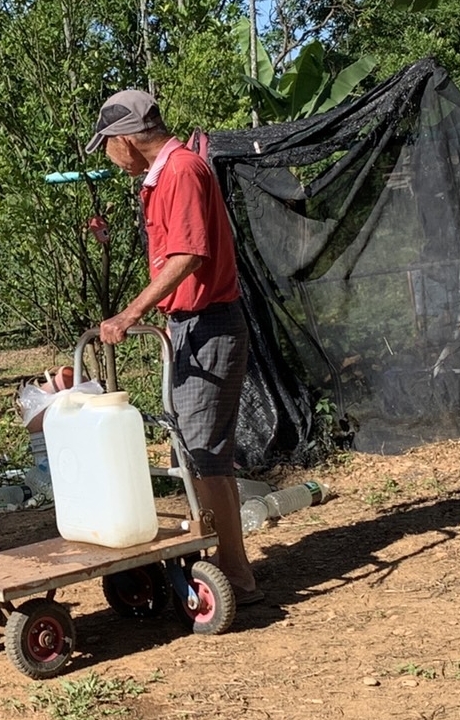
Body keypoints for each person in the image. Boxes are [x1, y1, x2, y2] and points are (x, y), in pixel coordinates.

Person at [84, 90, 262, 605]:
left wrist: (131, 311)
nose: (109, 157)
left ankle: (236, 577)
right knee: (190, 449)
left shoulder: (182, 170)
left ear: (124, 140)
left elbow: (188, 254)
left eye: (108, 146)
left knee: (206, 456)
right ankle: (218, 561)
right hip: (188, 326)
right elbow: (172, 248)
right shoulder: (163, 177)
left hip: (208, 324)